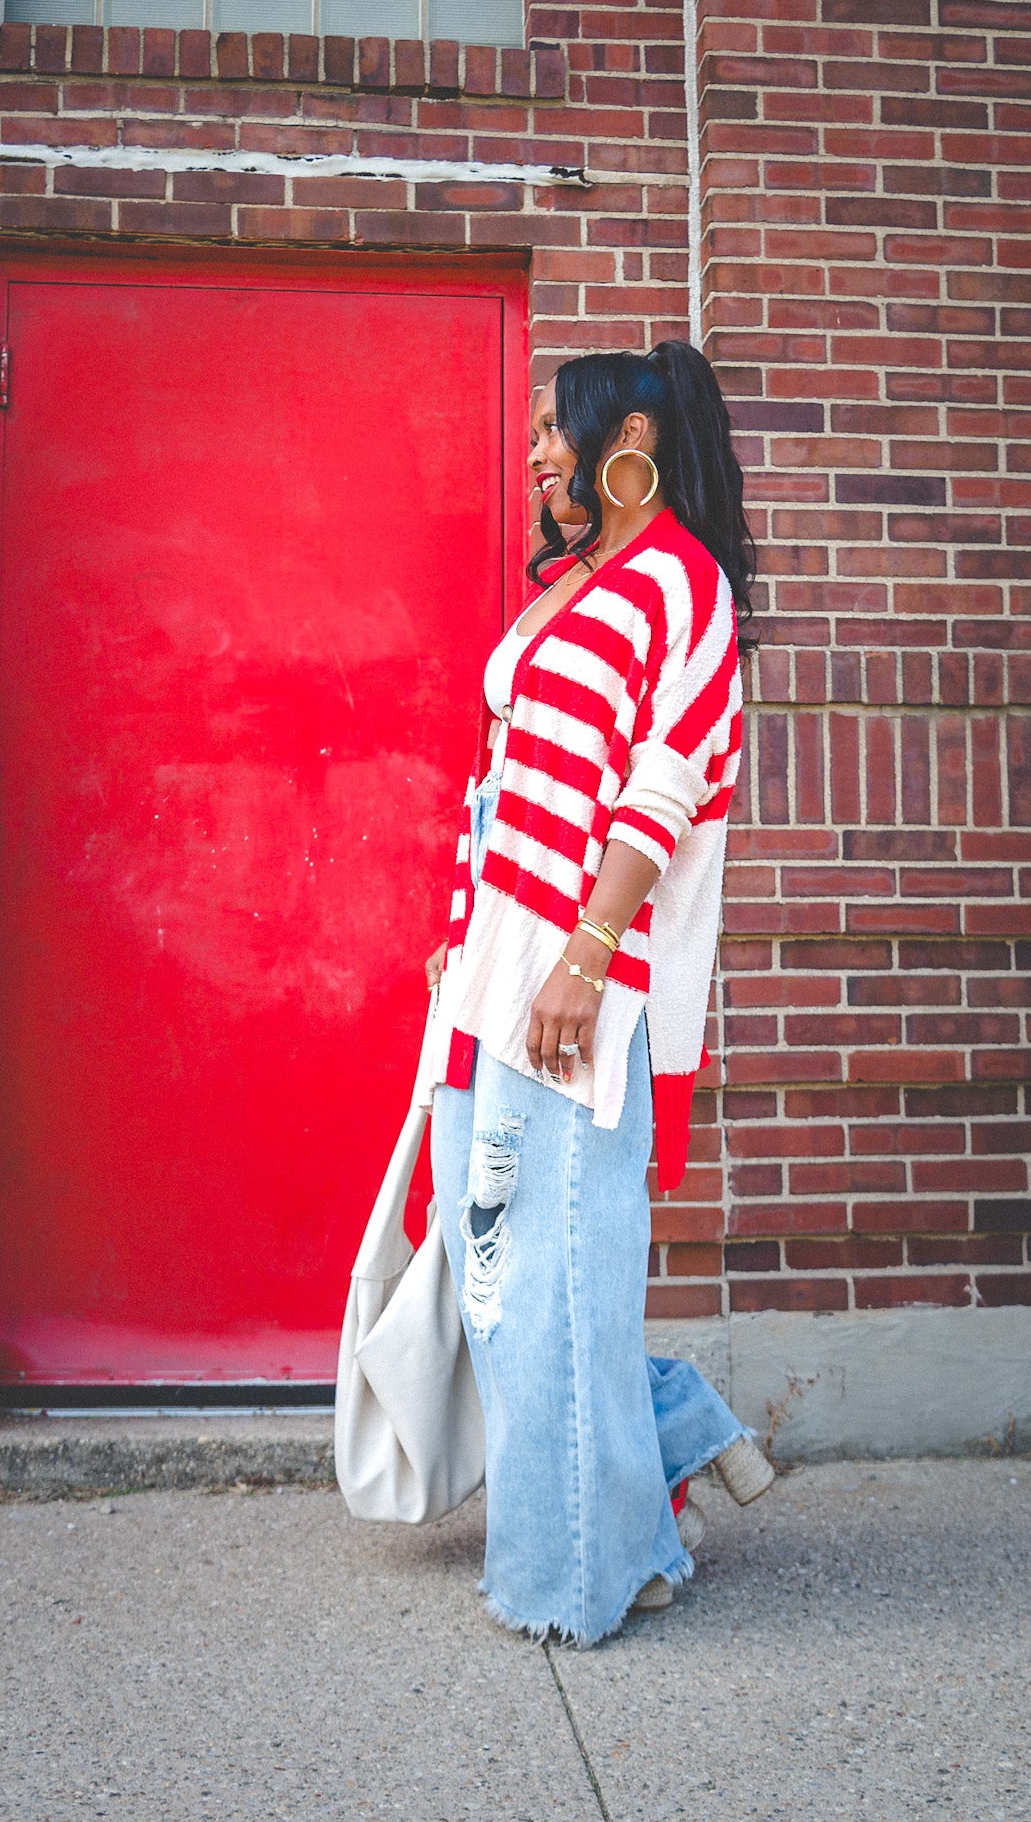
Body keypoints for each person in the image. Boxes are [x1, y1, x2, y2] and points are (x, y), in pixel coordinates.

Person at [423, 340, 774, 1648]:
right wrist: (462, 943)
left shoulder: (683, 585)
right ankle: (673, 1433)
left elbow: (663, 790)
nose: (532, 455)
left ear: (628, 432)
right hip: (489, 987)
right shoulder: (572, 589)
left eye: (549, 430)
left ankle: (584, 1573)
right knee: (495, 1278)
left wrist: (583, 956)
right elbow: (505, 788)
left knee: (557, 1287)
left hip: (580, 997)